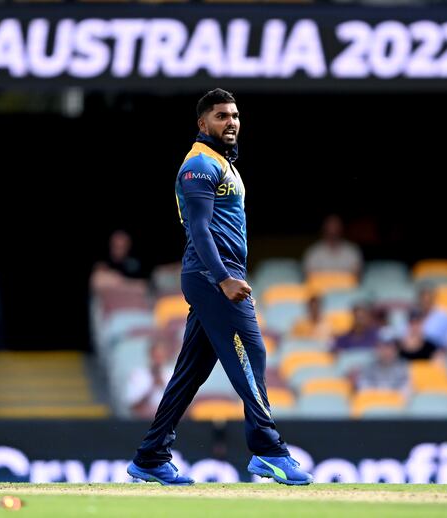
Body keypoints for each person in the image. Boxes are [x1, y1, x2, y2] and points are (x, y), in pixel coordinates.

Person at [127, 89, 312, 486]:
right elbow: (198, 229)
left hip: (217, 276)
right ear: (202, 123)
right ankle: (268, 450)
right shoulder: (197, 165)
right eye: (221, 116)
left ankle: (150, 456)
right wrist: (223, 278)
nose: (231, 122)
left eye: (235, 115)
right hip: (212, 277)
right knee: (253, 355)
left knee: (190, 373)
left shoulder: (221, 164)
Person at [125, 340, 175, 419]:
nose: (158, 361)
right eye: (155, 356)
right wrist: (152, 387)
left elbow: (181, 404)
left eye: (161, 357)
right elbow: (133, 406)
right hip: (144, 421)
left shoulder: (173, 374)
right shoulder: (138, 375)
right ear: (150, 356)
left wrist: (163, 386)